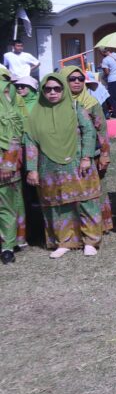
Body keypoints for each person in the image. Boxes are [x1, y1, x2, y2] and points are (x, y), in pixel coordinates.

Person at [25, 72, 104, 258]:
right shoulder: (35, 113)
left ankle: (90, 241)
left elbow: (89, 132)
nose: (52, 92)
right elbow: (30, 141)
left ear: (63, 90)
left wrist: (86, 157)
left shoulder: (75, 107)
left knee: (86, 202)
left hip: (78, 163)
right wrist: (32, 169)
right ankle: (64, 241)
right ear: (42, 91)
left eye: (57, 88)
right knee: (57, 205)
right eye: (48, 89)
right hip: (49, 168)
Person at [61, 66, 113, 233]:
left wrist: (105, 155)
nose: (77, 82)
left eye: (80, 79)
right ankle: (75, 227)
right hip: (67, 156)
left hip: (93, 155)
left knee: (97, 189)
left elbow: (102, 130)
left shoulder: (91, 103)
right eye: (72, 79)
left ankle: (101, 225)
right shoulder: (57, 104)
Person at [0, 67, 25, 264]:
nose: (7, 93)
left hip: (5, 167)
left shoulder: (11, 114)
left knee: (6, 206)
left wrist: (8, 164)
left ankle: (7, 246)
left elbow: (16, 137)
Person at [99, 47, 116, 118]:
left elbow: (107, 73)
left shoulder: (105, 60)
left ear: (102, 52)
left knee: (112, 98)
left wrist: (102, 67)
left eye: (100, 52)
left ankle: (115, 113)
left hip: (113, 80)